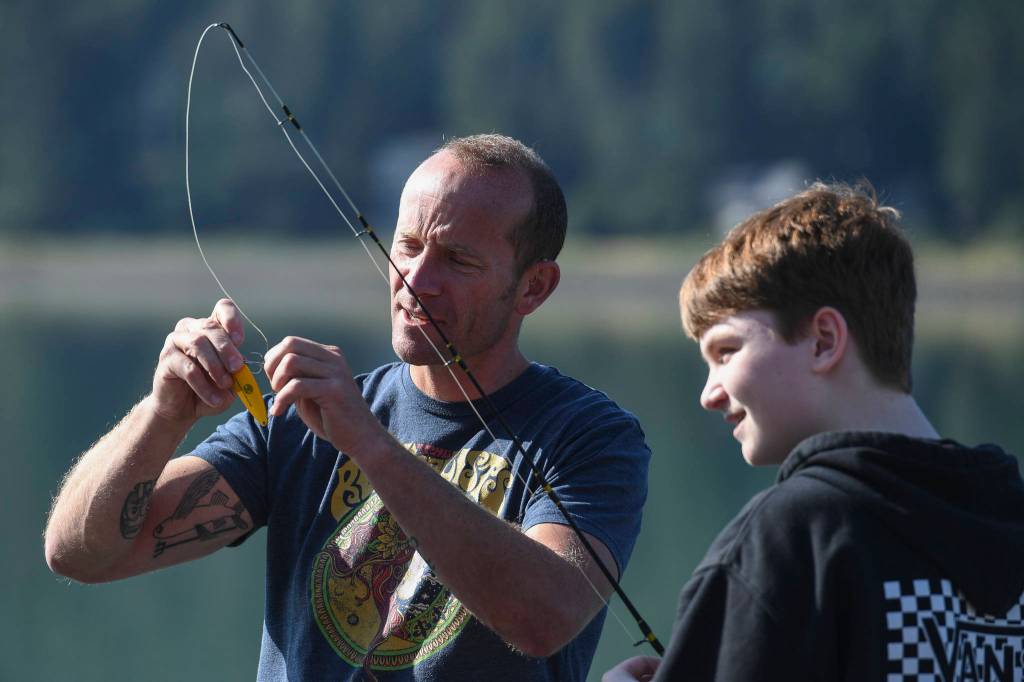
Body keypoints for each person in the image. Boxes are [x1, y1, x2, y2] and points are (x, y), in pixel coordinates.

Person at [45, 134, 651, 681]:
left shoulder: (591, 437)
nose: (415, 278)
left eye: (458, 260)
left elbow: (542, 619)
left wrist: (370, 446)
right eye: (407, 246)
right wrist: (163, 413)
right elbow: (80, 554)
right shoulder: (298, 418)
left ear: (534, 286)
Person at [604, 182, 1024, 681]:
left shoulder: (789, 539)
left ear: (824, 340)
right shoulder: (1010, 514)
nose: (709, 394)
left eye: (726, 352)